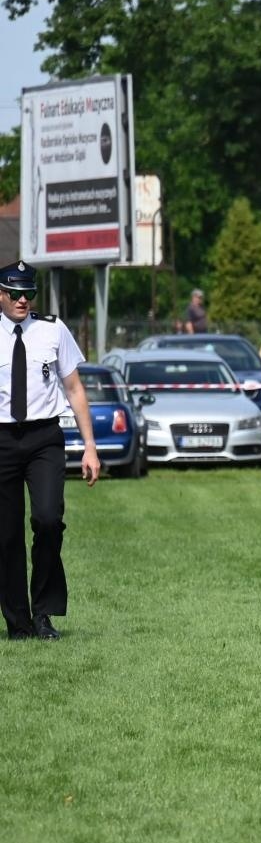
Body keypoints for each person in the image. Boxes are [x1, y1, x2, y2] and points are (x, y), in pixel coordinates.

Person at [0, 261, 101, 641]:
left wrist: (90, 447)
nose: (23, 300)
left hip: (44, 437)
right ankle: (18, 623)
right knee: (6, 535)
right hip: (2, 439)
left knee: (47, 519)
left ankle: (43, 614)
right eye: (15, 293)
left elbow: (74, 389)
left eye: (29, 293)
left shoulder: (53, 329)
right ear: (0, 295)